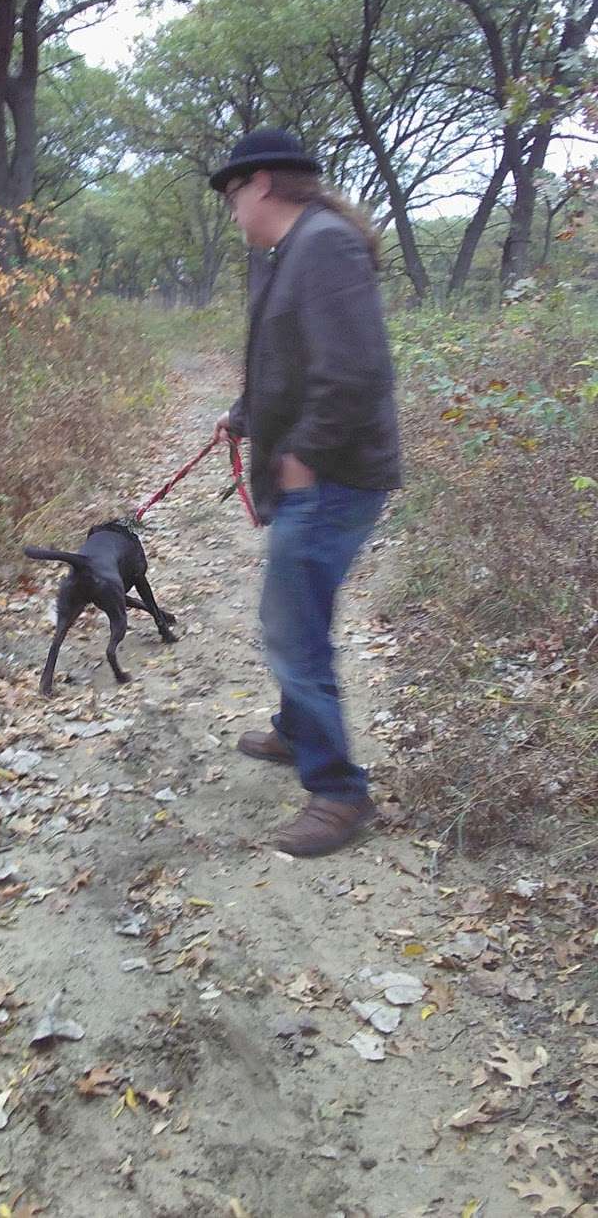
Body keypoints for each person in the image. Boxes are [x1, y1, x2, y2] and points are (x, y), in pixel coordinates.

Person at [209, 127, 401, 858]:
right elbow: (289, 357)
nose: (233, 213)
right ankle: (296, 731)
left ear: (260, 183)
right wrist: (247, 414)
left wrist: (305, 457)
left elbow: (356, 370)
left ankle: (339, 790)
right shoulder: (288, 253)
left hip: (334, 474)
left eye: (232, 196)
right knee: (300, 606)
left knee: (291, 624)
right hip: (318, 467)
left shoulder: (322, 245)